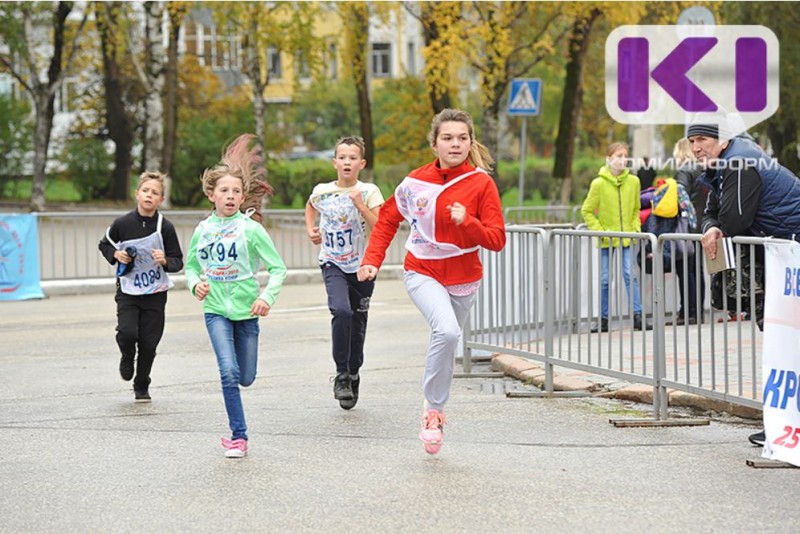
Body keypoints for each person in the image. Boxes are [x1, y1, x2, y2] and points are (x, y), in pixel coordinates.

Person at [356, 108, 506, 455]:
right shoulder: (415, 182)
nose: (456, 144)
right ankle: (434, 412)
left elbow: (497, 240)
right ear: (434, 143)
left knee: (446, 342)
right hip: (422, 269)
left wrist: (467, 221)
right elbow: (387, 220)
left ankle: (432, 406)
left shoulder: (481, 183)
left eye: (462, 138)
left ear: (470, 142)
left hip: (464, 277)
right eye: (448, 138)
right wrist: (371, 262)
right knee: (448, 331)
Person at [690, 122, 800, 449]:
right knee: (783, 341)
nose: (696, 147)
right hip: (780, 257)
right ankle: (784, 422)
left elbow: (735, 218)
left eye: (703, 139)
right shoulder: (724, 165)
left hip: (789, 255)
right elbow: (712, 212)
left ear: (723, 140)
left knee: (788, 342)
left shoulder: (740, 163)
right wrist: (712, 226)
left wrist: (717, 225)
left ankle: (785, 422)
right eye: (692, 140)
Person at [184, 133, 287, 458]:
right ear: (211, 195)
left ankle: (239, 414)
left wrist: (266, 298)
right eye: (224, 191)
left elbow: (279, 269)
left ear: (243, 197)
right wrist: (195, 284)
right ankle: (238, 437)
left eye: (236, 192)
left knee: (245, 376)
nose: (230, 197)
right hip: (215, 311)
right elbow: (189, 267)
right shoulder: (202, 230)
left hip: (247, 313)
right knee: (227, 372)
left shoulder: (251, 230)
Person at [304, 136, 384, 410]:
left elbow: (381, 225)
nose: (347, 162)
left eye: (353, 158)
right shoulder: (322, 190)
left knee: (358, 324)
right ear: (334, 162)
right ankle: (341, 374)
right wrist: (311, 229)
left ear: (361, 163)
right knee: (342, 311)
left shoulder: (369, 190)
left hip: (363, 265)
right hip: (332, 262)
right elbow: (310, 205)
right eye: (342, 157)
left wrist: (361, 206)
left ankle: (353, 373)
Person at [98, 171, 184, 402]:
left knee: (149, 342)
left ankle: (142, 382)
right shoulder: (122, 224)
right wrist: (116, 254)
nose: (149, 195)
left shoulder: (164, 227)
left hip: (155, 293)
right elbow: (104, 244)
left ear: (161, 199)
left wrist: (164, 260)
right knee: (127, 333)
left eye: (155, 192)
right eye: (145, 190)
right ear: (137, 194)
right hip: (128, 290)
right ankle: (127, 356)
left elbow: (178, 261)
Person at [582, 142, 651, 333]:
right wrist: (600, 230)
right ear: (609, 159)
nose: (622, 160)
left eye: (625, 156)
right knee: (605, 279)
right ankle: (603, 320)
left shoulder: (634, 182)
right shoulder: (598, 183)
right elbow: (586, 210)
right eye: (618, 156)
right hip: (606, 239)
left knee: (630, 275)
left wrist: (636, 228)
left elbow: (637, 208)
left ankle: (638, 317)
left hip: (627, 237)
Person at [673, 137, 710, 324]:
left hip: (686, 227)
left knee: (685, 270)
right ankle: (698, 312)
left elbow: (679, 196)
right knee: (698, 269)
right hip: (704, 225)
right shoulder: (703, 170)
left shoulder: (684, 171)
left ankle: (687, 312)